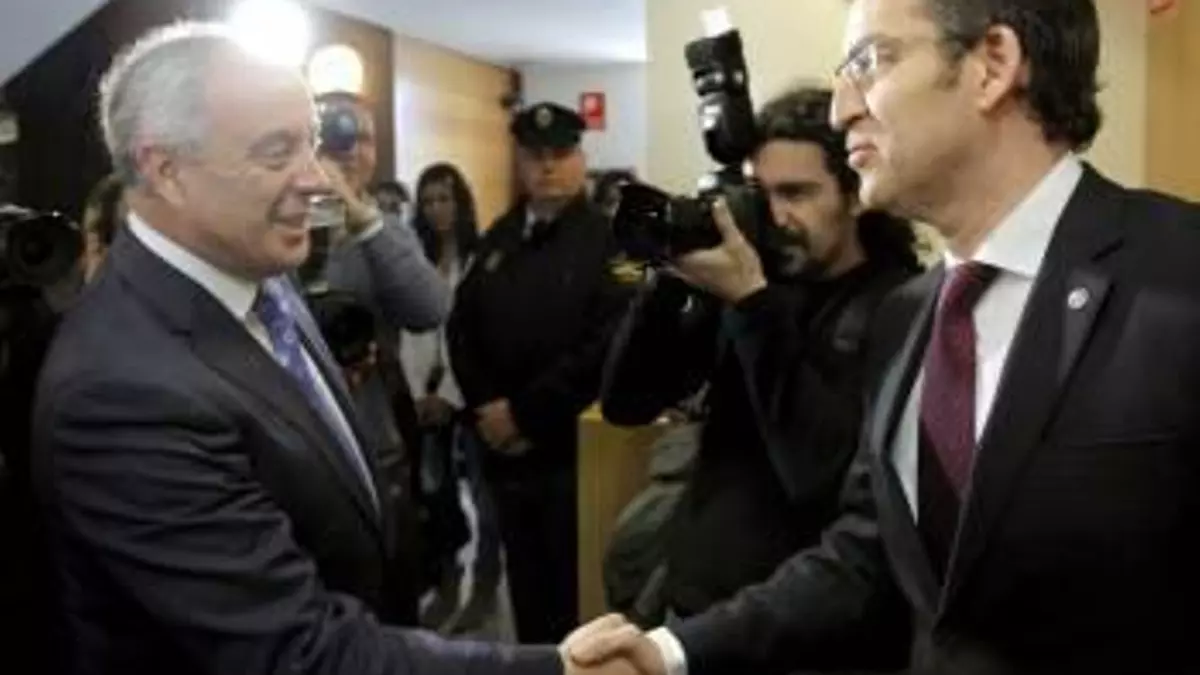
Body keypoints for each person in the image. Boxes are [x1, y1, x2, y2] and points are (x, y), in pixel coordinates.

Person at [565, 0, 1200, 673]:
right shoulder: (910, 315)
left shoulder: (1181, 269)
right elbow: (867, 561)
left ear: (992, 66)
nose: (842, 109)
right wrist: (668, 652)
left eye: (870, 62)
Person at [29, 21, 625, 675]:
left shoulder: (256, 266)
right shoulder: (123, 393)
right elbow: (299, 652)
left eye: (311, 144)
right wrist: (559, 669)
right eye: (276, 152)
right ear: (166, 170)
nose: (317, 180)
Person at [600, 86, 920, 629]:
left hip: (802, 631)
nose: (774, 216)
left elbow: (821, 477)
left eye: (796, 193)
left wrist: (752, 304)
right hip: (697, 606)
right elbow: (627, 404)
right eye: (759, 193)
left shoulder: (899, 305)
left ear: (855, 195)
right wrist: (668, 283)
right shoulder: (750, 287)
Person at [448, 102, 635, 643]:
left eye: (559, 154)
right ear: (520, 163)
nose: (547, 167)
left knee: (577, 600)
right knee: (527, 596)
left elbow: (608, 342)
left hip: (572, 452)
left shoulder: (615, 242)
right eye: (534, 156)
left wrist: (525, 414)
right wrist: (488, 409)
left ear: (581, 160)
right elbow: (461, 329)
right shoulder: (500, 235)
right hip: (506, 453)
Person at [401, 162, 510, 638]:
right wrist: (419, 393)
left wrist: (450, 394)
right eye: (428, 201)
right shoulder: (413, 259)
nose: (436, 209)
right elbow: (412, 332)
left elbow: (477, 335)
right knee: (436, 495)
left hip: (471, 396)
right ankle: (447, 582)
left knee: (486, 502)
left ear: (460, 202)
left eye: (444, 198)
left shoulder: (483, 256)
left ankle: (484, 589)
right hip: (422, 397)